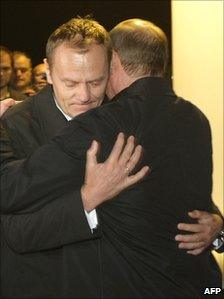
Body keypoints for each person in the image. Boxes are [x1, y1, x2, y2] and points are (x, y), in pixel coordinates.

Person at [1, 17, 222, 298]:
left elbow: (175, 188)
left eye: (96, 81)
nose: (84, 95)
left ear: (111, 67)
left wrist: (216, 224)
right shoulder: (14, 123)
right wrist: (87, 200)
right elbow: (15, 231)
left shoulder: (125, 114)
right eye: (70, 83)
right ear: (48, 72)